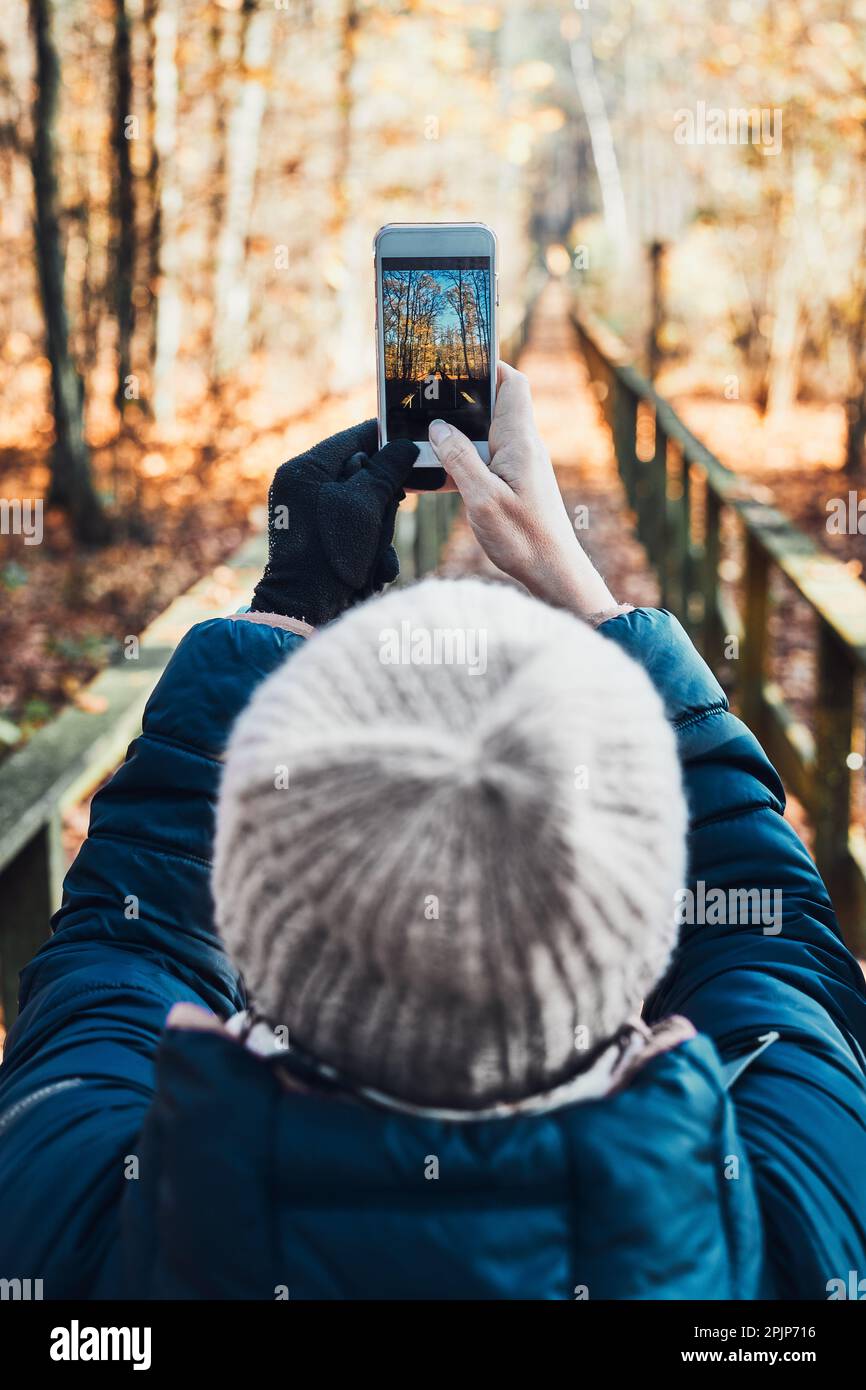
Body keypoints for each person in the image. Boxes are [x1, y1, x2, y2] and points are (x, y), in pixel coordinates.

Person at [1, 363, 865, 1300]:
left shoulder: (67, 1222)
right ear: (632, 968)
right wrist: (579, 584)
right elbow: (774, 952)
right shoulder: (801, 1229)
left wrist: (290, 603)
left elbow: (122, 950)